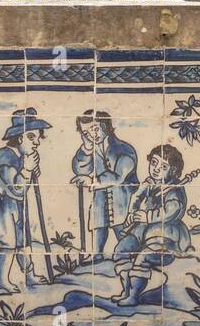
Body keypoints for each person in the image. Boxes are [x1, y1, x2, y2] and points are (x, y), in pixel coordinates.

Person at [110, 144, 192, 306]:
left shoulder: (174, 189)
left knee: (143, 257)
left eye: (163, 167)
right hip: (142, 230)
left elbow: (172, 211)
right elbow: (136, 197)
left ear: (173, 171)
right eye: (154, 163)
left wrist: (148, 216)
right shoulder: (149, 183)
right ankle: (126, 289)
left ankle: (134, 295)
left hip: (164, 234)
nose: (156, 169)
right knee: (122, 249)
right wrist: (132, 214)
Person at [0, 108, 49, 293]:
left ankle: (29, 275)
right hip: (2, 204)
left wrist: (31, 169)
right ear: (20, 138)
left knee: (23, 243)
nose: (37, 142)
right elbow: (16, 189)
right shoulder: (4, 158)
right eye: (32, 137)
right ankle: (1, 280)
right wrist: (28, 170)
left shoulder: (21, 157)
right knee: (8, 244)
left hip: (17, 204)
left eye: (38, 137)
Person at [70, 110, 138, 258]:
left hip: (122, 195)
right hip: (100, 193)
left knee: (121, 223)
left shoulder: (123, 149)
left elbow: (119, 176)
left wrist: (93, 181)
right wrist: (86, 149)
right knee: (98, 220)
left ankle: (128, 252)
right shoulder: (92, 149)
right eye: (86, 133)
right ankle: (97, 254)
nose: (91, 135)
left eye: (94, 129)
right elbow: (79, 168)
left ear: (105, 126)